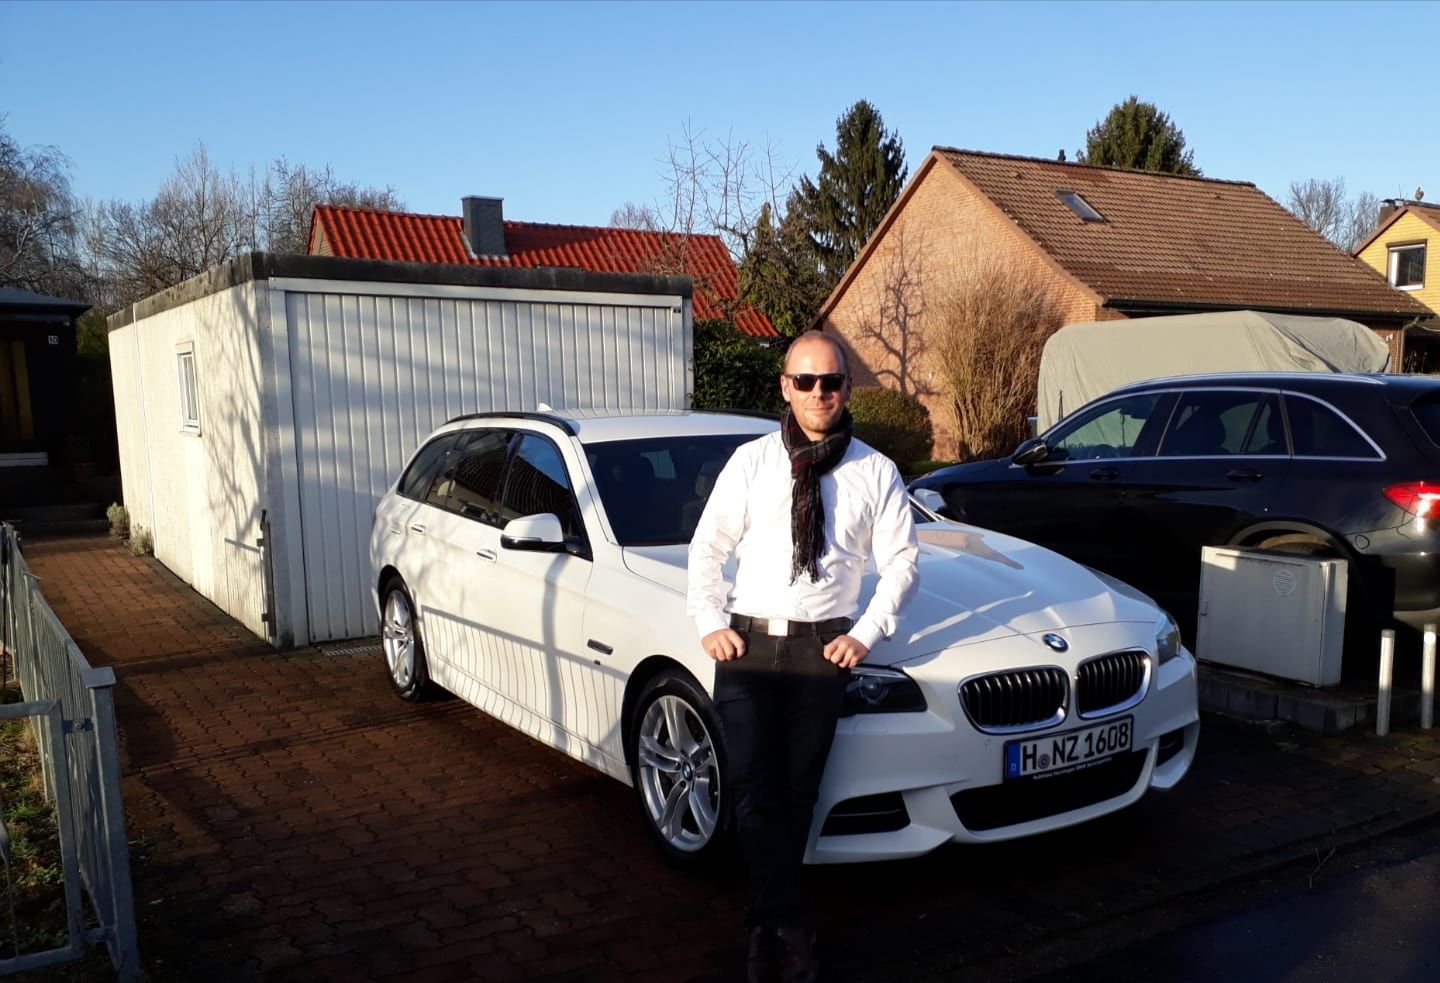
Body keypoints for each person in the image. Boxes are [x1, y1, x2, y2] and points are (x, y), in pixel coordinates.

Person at [687, 330, 920, 983]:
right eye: (806, 381)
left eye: (832, 381)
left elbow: (902, 563)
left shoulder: (875, 471)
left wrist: (866, 632)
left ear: (847, 388)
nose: (820, 393)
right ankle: (784, 926)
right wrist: (709, 621)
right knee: (752, 790)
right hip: (749, 645)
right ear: (785, 387)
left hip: (824, 650)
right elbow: (708, 546)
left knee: (797, 792)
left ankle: (769, 925)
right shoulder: (751, 463)